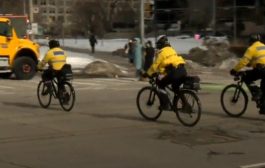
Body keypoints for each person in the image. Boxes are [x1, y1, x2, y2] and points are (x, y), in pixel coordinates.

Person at [143, 35, 187, 110]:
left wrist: (147, 74)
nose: (157, 46)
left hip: (174, 73)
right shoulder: (172, 50)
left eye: (158, 44)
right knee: (175, 88)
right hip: (182, 70)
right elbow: (167, 65)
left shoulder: (161, 53)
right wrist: (161, 72)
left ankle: (166, 105)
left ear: (161, 44)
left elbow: (155, 66)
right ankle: (186, 105)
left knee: (160, 85)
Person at [230, 34, 265, 114]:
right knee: (264, 88)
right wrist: (252, 64)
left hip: (261, 70)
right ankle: (263, 107)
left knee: (246, 77)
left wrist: (234, 70)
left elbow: (243, 62)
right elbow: (260, 58)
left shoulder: (251, 48)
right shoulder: (263, 46)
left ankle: (256, 91)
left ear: (251, 41)